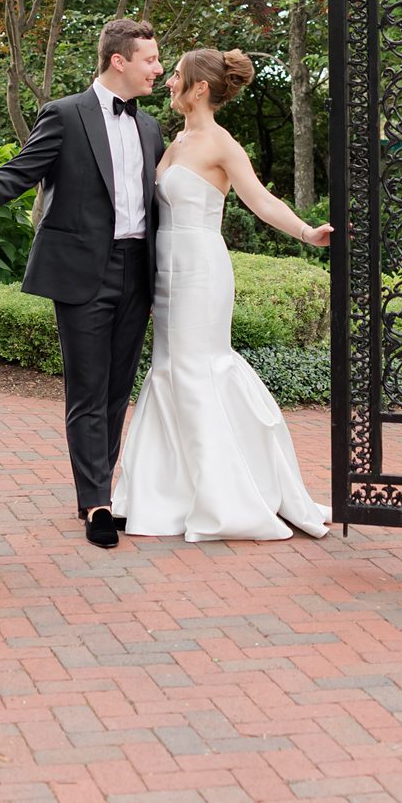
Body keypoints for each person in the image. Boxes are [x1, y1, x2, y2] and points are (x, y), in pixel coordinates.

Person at [112, 48, 334, 543]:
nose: (167, 80)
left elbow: (259, 199)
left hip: (202, 272)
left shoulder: (221, 143)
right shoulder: (175, 140)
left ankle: (228, 498)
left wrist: (306, 232)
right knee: (169, 370)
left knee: (198, 370)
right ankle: (167, 495)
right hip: (165, 275)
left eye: (175, 75)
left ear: (199, 89)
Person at [0, 19, 163, 549]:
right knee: (87, 390)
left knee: (119, 391)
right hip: (81, 272)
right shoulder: (66, 115)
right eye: (150, 60)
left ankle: (101, 490)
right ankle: (96, 502)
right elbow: (21, 171)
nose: (158, 70)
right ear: (119, 60)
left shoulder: (151, 128)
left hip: (137, 270)